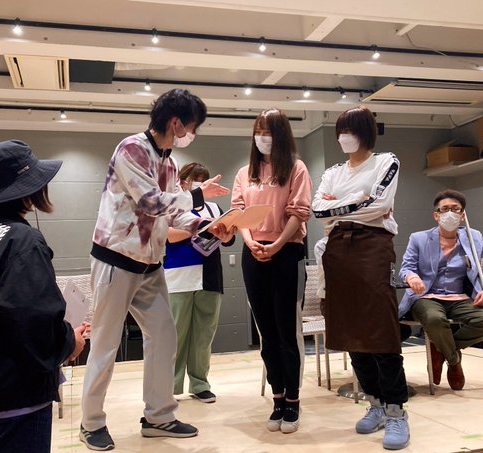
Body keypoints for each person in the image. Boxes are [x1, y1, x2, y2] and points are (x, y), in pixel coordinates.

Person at [79, 89, 230, 451]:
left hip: (149, 264)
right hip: (115, 259)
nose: (193, 133)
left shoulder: (170, 164)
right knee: (105, 343)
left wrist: (207, 226)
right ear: (176, 122)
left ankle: (159, 416)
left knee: (164, 336)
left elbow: (174, 213)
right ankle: (91, 423)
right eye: (192, 126)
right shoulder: (131, 149)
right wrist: (199, 196)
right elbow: (151, 202)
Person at [0, 140, 87, 453]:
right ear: (30, 189)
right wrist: (70, 342)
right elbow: (35, 325)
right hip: (18, 394)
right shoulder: (25, 240)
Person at [312, 106, 409, 450]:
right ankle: (375, 403)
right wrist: (356, 200)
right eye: (340, 130)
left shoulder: (386, 162)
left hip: (373, 245)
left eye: (350, 130)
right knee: (350, 330)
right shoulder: (333, 172)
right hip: (337, 248)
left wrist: (339, 206)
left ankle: (396, 410)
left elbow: (380, 205)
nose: (344, 137)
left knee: (380, 329)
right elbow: (317, 210)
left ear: (366, 132)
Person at [231, 108, 312, 434]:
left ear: (280, 135)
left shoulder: (296, 168)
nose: (262, 137)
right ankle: (277, 397)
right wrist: (250, 241)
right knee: (266, 332)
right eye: (258, 130)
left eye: (268, 131)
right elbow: (238, 212)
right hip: (253, 253)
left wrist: (277, 244)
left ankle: (293, 400)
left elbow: (299, 212)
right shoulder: (245, 172)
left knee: (286, 332)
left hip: (286, 251)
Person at [398, 189, 483, 390]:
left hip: (460, 298)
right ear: (436, 215)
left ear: (463, 215)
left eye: (456, 209)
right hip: (426, 297)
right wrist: (412, 277)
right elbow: (406, 268)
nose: (450, 213)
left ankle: (440, 349)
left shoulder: (474, 237)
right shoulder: (419, 238)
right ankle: (454, 361)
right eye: (445, 209)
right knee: (434, 319)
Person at [165, 162, 236, 403]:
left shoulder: (214, 208)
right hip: (178, 276)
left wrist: (227, 232)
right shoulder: (174, 204)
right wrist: (203, 228)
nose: (198, 183)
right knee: (175, 334)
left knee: (204, 334)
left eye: (203, 180)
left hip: (210, 276)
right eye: (194, 179)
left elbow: (227, 239)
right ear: (182, 181)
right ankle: (170, 386)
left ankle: (199, 383)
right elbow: (168, 236)